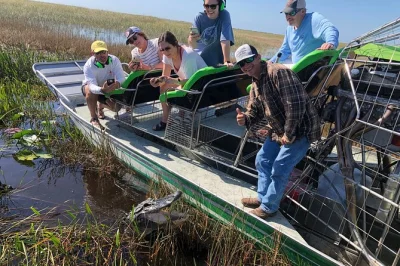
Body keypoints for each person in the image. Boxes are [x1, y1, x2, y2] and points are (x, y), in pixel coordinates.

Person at [235, 44, 321, 218]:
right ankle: (262, 197)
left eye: (249, 60)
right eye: (241, 64)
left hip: (300, 130)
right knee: (263, 160)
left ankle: (269, 207)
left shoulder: (278, 72)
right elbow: (254, 111)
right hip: (279, 130)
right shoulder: (255, 83)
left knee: (280, 166)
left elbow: (295, 106)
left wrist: (288, 134)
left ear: (258, 57)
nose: (245, 65)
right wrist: (245, 118)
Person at [150, 31, 207, 131]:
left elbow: (192, 82)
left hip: (201, 88)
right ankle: (166, 120)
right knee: (162, 87)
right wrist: (157, 81)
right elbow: (165, 77)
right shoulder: (166, 56)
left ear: (176, 43)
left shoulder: (188, 55)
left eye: (167, 48)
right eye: (162, 50)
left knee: (169, 87)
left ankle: (183, 113)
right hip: (189, 85)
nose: (165, 52)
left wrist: (173, 81)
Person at [269, 0, 339, 64]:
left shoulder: (313, 19)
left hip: (316, 69)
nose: (288, 17)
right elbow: (284, 51)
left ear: (303, 11)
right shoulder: (289, 29)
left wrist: (330, 43)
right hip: (298, 68)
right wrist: (271, 62)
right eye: (286, 13)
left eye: (292, 13)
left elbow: (330, 29)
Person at [82, 40, 125, 127]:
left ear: (107, 52)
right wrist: (102, 89)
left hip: (108, 88)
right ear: (92, 54)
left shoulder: (115, 60)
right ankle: (94, 117)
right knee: (90, 91)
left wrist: (117, 84)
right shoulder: (88, 66)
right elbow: (92, 85)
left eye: (103, 52)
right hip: (96, 88)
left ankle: (101, 106)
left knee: (116, 108)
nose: (102, 55)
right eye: (98, 53)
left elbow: (121, 78)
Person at [188, 0, 234, 67]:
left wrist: (227, 61)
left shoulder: (224, 15)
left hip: (217, 64)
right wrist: (191, 39)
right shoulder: (198, 17)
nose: (209, 9)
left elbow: (225, 39)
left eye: (213, 6)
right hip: (199, 62)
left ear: (220, 6)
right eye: (206, 6)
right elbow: (193, 47)